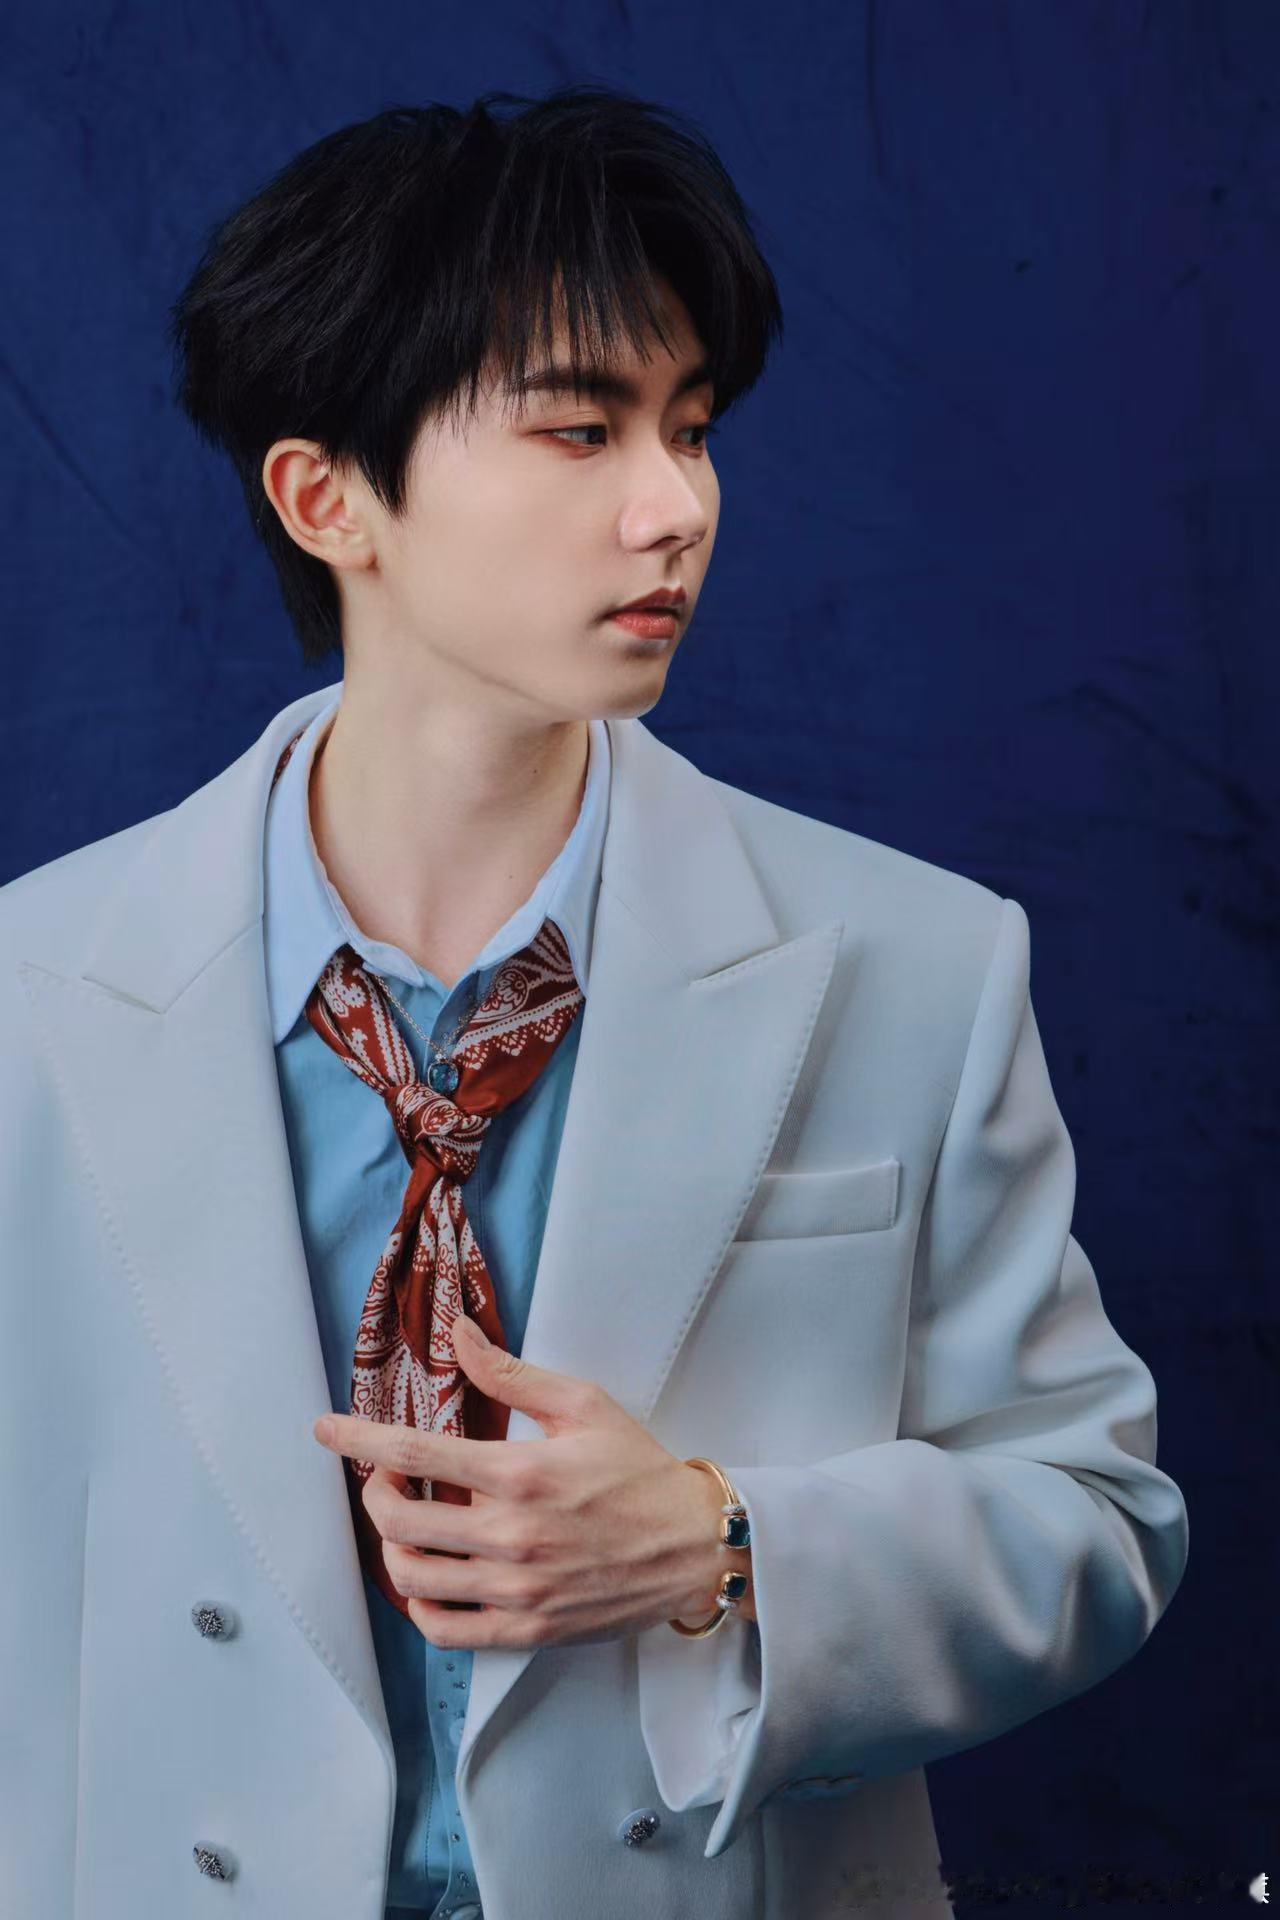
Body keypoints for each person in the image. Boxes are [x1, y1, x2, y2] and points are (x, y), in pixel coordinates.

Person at [0, 85, 1188, 1920]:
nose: (676, 505)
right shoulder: (37, 991)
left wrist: (720, 1542)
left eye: (690, 429)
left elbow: (1098, 1523)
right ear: (328, 499)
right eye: (581, 429)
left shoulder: (916, 962)